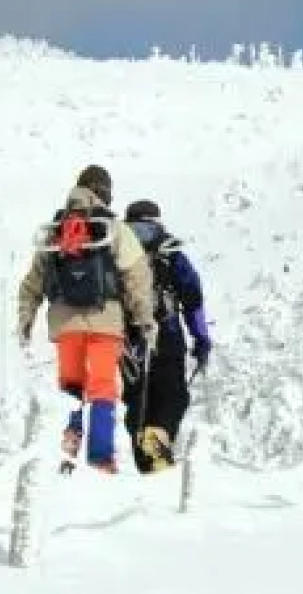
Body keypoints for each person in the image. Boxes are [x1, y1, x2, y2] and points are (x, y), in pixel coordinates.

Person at [16, 165, 157, 473]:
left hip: (65, 323)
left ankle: (68, 454)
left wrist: (26, 318)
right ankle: (100, 458)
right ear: (105, 192)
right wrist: (143, 320)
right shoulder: (113, 228)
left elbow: (33, 281)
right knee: (103, 386)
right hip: (106, 321)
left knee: (71, 387)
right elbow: (137, 276)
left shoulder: (57, 229)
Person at [119, 198, 212, 473]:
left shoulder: (116, 250)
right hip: (166, 333)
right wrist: (201, 338)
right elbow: (192, 295)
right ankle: (156, 448)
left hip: (128, 338)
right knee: (173, 395)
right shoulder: (168, 250)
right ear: (156, 220)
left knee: (137, 398)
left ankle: (144, 462)